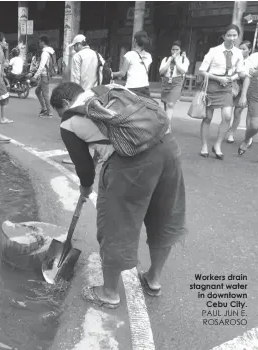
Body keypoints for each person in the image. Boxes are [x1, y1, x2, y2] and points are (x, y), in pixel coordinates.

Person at [50, 82, 187, 309]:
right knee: (164, 216)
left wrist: (85, 189)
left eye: (59, 113)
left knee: (117, 224)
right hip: (168, 148)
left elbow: (84, 170)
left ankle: (109, 292)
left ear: (65, 103)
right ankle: (153, 279)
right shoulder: (110, 89)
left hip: (131, 163)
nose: (60, 118)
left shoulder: (69, 121)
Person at [198, 24, 245, 160]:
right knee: (207, 117)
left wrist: (231, 78)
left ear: (237, 36)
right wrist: (219, 78)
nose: (232, 38)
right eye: (229, 35)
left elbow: (241, 72)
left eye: (234, 35)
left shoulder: (238, 53)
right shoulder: (214, 51)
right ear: (224, 36)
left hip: (227, 87)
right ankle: (204, 146)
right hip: (212, 85)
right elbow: (202, 70)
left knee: (227, 117)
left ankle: (217, 145)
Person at [226, 41, 253, 145]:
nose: (241, 51)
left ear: (249, 50)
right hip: (232, 87)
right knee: (227, 112)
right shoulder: (235, 58)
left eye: (244, 49)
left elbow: (245, 75)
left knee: (237, 113)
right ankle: (226, 129)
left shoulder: (251, 61)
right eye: (240, 48)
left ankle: (232, 133)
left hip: (244, 90)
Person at [159, 41, 190, 128]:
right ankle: (165, 123)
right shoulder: (165, 59)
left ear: (180, 50)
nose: (175, 51)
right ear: (170, 50)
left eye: (177, 49)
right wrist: (169, 61)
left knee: (171, 104)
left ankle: (167, 128)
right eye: (173, 49)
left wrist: (176, 60)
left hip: (177, 82)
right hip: (166, 81)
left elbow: (183, 71)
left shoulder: (184, 59)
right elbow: (161, 71)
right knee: (166, 105)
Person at [111, 31, 153, 96]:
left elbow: (122, 74)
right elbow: (146, 72)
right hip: (145, 88)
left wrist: (110, 73)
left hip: (132, 88)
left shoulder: (129, 55)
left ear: (134, 40)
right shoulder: (148, 56)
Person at [236, 51, 258, 158]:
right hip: (255, 94)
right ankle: (246, 140)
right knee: (254, 125)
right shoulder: (255, 57)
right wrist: (243, 95)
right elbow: (248, 77)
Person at [33, 35, 56, 118]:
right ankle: (44, 108)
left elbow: (42, 66)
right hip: (45, 75)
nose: (39, 44)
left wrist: (35, 76)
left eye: (39, 42)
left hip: (44, 76)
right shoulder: (50, 51)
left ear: (43, 42)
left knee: (45, 95)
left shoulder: (45, 53)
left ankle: (49, 112)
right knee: (37, 91)